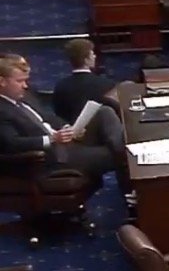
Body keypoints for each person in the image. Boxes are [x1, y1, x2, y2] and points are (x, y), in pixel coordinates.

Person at [0, 54, 130, 194]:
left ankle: (125, 151)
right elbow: (11, 144)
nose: (25, 86)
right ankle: (132, 186)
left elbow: (48, 117)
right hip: (50, 158)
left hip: (64, 142)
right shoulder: (2, 109)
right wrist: (52, 139)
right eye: (19, 81)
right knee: (116, 155)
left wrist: (66, 127)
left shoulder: (24, 96)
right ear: (2, 81)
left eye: (25, 81)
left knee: (104, 112)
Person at [52, 38, 118, 124]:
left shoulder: (60, 86)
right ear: (86, 60)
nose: (95, 56)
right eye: (92, 54)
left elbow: (59, 115)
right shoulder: (108, 85)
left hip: (72, 134)